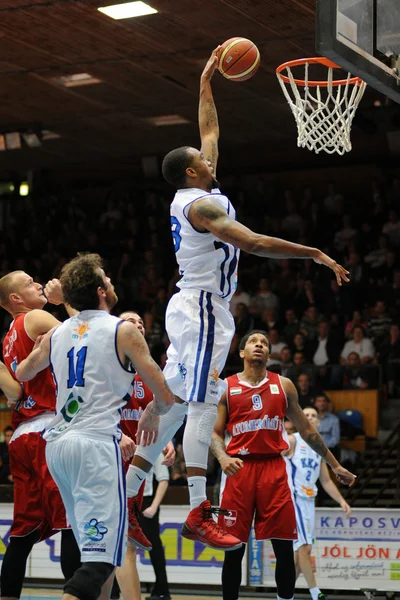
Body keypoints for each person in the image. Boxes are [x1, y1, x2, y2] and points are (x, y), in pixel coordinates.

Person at [125, 47, 350, 552]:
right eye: (202, 162)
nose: (209, 159)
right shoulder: (202, 204)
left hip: (193, 305)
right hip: (204, 307)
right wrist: (312, 251)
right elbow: (252, 242)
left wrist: (206, 81)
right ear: (191, 174)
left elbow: (210, 133)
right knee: (203, 403)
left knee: (176, 408)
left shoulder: (193, 190)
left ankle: (129, 495)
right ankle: (200, 509)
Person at [15, 253, 176, 600]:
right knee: (104, 558)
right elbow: (164, 394)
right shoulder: (124, 330)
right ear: (101, 290)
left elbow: (23, 373)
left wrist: (44, 345)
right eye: (108, 279)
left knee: (91, 547)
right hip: (95, 446)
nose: (113, 283)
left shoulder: (58, 334)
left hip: (58, 448)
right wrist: (152, 411)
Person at [210, 330, 355, 600]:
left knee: (284, 549)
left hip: (273, 469)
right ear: (241, 352)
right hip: (238, 469)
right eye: (253, 342)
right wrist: (222, 457)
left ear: (269, 353)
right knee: (234, 550)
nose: (259, 345)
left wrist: (334, 465)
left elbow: (307, 429)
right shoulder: (226, 386)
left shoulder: (284, 385)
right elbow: (214, 432)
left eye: (264, 343)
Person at [0, 271, 81, 600]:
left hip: (21, 436)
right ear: (16, 299)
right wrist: (67, 301)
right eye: (30, 283)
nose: (38, 284)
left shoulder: (7, 338)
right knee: (70, 523)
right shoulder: (34, 316)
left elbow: (16, 393)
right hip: (48, 431)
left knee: (23, 532)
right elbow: (85, 334)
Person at [115, 310, 175, 600]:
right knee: (122, 543)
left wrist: (166, 439)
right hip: (111, 452)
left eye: (141, 321)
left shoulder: (150, 371)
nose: (138, 324)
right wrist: (117, 433)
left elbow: (157, 412)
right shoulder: (108, 360)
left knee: (120, 543)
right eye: (130, 321)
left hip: (137, 462)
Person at [285, 408, 352, 600]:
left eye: (313, 415)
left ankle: (285, 594)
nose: (309, 418)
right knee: (304, 548)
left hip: (308, 501)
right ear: (299, 419)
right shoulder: (292, 440)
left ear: (319, 422)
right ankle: (316, 593)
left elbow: (326, 481)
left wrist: (341, 500)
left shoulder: (319, 449)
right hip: (293, 499)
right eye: (305, 415)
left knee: (300, 555)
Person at [139, 454, 171, 600]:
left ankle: (162, 590)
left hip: (146, 501)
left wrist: (153, 506)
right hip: (125, 499)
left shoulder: (154, 450)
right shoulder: (122, 445)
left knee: (153, 546)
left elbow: (164, 479)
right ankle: (113, 590)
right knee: (120, 548)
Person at [313, 394, 340, 458]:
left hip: (329, 451)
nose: (321, 403)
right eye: (319, 401)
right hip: (312, 449)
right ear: (315, 404)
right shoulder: (312, 418)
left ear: (327, 404)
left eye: (324, 401)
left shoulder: (334, 419)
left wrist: (323, 448)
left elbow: (335, 439)